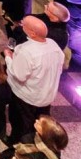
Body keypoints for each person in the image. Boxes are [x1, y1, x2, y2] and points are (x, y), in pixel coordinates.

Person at [6, 15, 65, 143]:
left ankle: (16, 145)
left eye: (24, 25)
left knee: (20, 123)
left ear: (32, 33)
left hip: (27, 98)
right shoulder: (53, 45)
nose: (21, 25)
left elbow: (19, 75)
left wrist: (8, 58)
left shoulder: (27, 51)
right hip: (46, 97)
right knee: (38, 124)